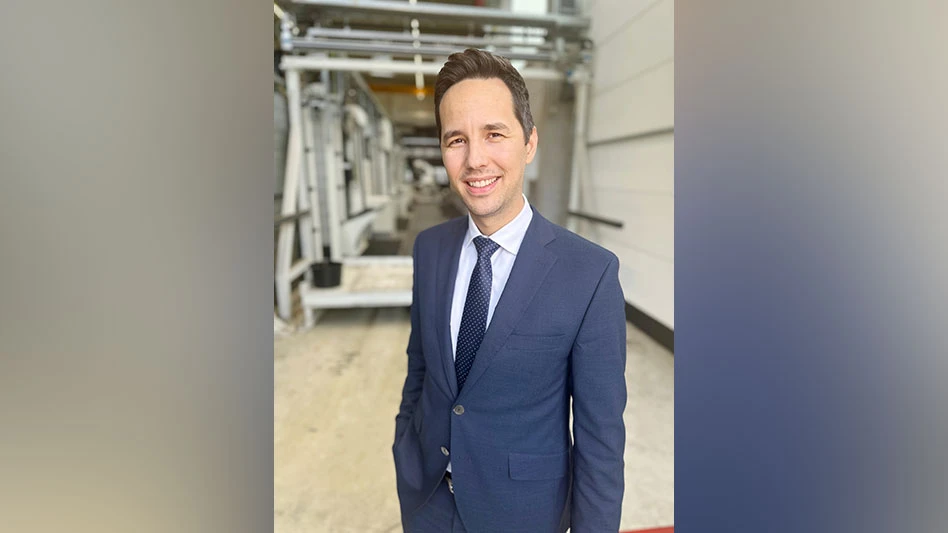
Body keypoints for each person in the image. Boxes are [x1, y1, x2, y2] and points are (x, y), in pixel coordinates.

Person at [392, 48, 627, 533]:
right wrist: (405, 451)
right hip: (428, 503)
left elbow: (600, 443)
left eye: (494, 134)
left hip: (522, 515)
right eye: (456, 139)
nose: (475, 159)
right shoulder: (430, 249)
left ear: (529, 143)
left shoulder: (589, 274)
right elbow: (421, 369)